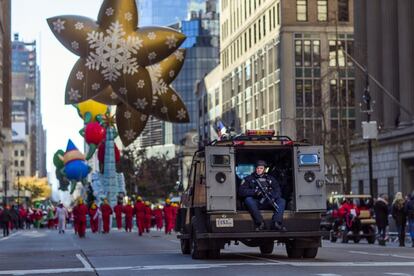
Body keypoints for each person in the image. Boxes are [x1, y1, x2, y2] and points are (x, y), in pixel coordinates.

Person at [238, 160, 286, 231]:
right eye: (257, 168)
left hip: (269, 202)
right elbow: (241, 191)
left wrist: (273, 198)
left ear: (264, 169)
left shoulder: (271, 179)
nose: (259, 170)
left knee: (282, 200)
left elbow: (278, 191)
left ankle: (276, 223)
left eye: (261, 168)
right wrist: (255, 192)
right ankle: (260, 223)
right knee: (248, 199)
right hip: (256, 203)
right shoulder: (249, 179)